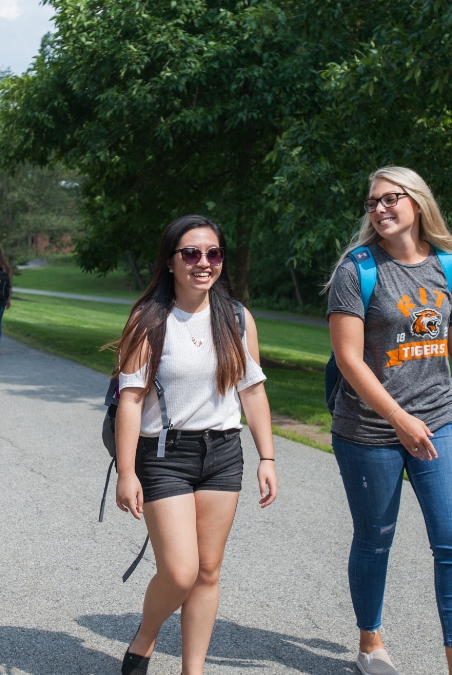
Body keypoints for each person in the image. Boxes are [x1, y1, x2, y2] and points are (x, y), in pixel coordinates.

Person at [325, 166, 452, 675]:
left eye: (390, 199)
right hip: (368, 430)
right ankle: (371, 644)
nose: (379, 209)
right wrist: (399, 418)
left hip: (441, 421)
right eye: (372, 202)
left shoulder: (449, 266)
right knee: (375, 537)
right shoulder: (357, 270)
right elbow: (349, 360)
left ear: (418, 202)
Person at [113, 215, 277, 675]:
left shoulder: (238, 318)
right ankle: (145, 639)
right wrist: (127, 472)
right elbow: (131, 399)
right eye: (191, 253)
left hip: (224, 453)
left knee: (208, 571)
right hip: (165, 455)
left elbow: (253, 390)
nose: (203, 263)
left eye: (213, 253)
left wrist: (268, 456)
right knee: (181, 571)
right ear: (170, 261)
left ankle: (194, 669)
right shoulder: (150, 320)